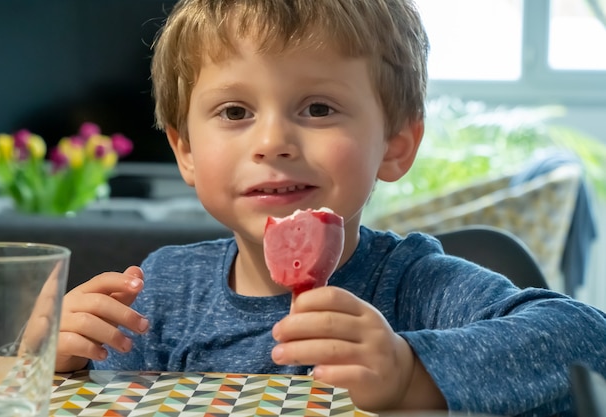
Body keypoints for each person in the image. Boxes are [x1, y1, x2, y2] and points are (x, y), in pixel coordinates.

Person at [54, 0, 606, 415]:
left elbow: (586, 337)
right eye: (234, 111)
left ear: (395, 145)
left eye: (318, 108)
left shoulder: (416, 287)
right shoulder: (161, 293)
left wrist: (409, 371)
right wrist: (58, 362)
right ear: (187, 151)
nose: (272, 141)